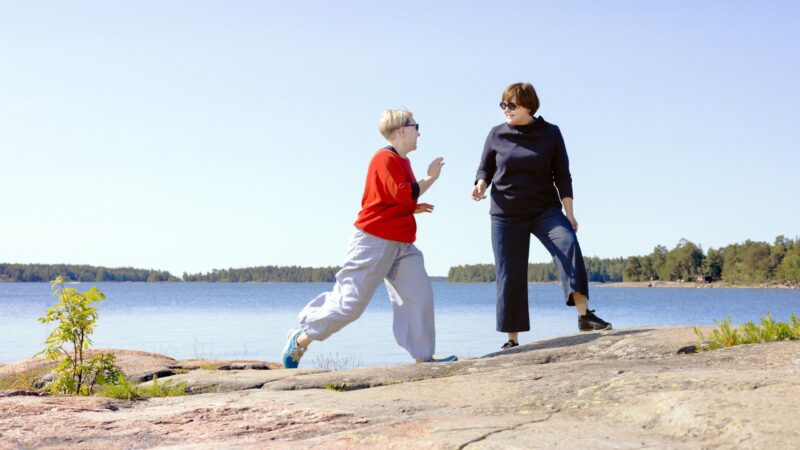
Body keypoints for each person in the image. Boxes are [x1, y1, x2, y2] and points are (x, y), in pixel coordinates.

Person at [281, 109, 457, 368]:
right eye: (416, 126)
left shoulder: (402, 161)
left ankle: (424, 357)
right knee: (349, 305)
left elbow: (394, 198)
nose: (419, 133)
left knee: (419, 295)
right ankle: (301, 338)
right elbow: (402, 193)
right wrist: (430, 178)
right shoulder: (383, 158)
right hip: (373, 241)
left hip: (402, 243)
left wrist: (411, 207)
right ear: (402, 130)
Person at [471, 82, 612, 350]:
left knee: (567, 243)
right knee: (509, 273)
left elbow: (563, 176)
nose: (506, 110)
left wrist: (569, 213)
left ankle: (584, 315)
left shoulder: (551, 134)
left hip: (544, 210)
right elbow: (484, 170)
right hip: (506, 214)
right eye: (503, 105)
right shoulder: (496, 134)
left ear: (528, 106)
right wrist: (480, 185)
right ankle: (512, 339)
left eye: (511, 105)